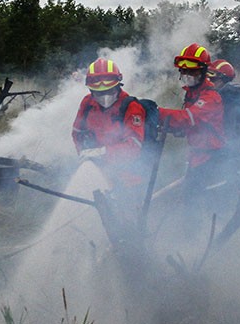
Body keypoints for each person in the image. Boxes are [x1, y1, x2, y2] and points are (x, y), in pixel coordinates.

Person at [158, 43, 228, 221]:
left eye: (193, 71)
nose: (187, 75)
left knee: (193, 201)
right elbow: (191, 125)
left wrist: (156, 113)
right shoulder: (192, 93)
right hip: (197, 155)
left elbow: (188, 118)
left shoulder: (211, 97)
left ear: (204, 71)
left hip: (211, 158)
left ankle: (194, 239)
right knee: (190, 198)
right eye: (184, 71)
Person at [71, 57, 146, 196]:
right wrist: (85, 154)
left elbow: (133, 147)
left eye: (109, 91)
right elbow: (77, 133)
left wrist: (102, 153)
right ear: (91, 90)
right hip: (97, 175)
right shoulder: (87, 103)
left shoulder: (131, 107)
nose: (104, 96)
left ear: (118, 85)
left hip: (128, 180)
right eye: (99, 92)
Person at [207, 59, 240, 177]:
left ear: (223, 80)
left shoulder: (227, 98)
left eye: (213, 79)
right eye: (208, 79)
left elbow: (225, 129)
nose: (209, 82)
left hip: (229, 153)